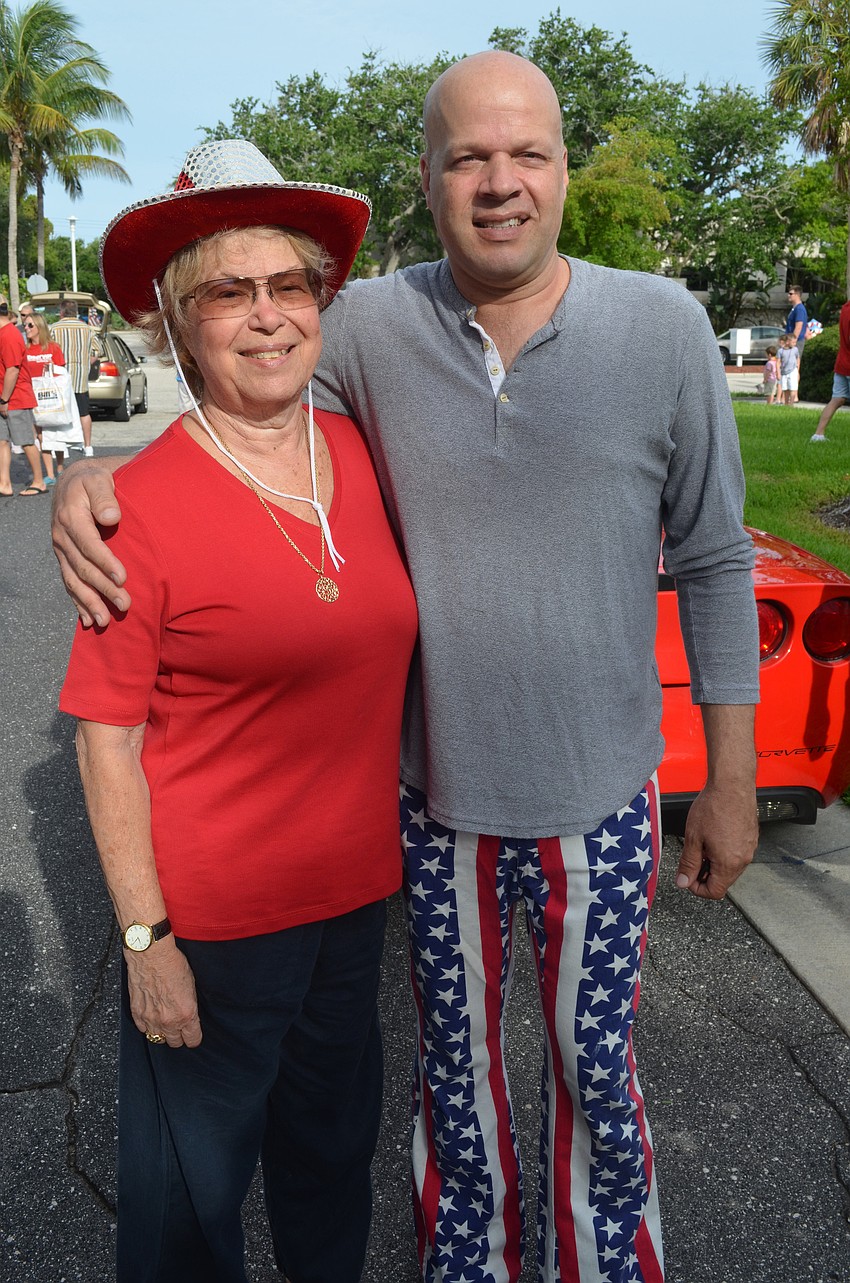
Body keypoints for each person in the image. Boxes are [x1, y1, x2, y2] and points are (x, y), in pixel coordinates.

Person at [52, 53, 759, 1283]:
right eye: (467, 158)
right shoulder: (373, 325)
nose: (499, 183)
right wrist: (85, 476)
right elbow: (233, 402)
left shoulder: (665, 326)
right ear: (426, 177)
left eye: (526, 153)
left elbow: (710, 555)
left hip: (601, 799)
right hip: (429, 816)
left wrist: (734, 776)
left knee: (595, 1080)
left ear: (562, 168)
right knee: (455, 1087)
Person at [57, 140, 418, 1282]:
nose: (265, 317)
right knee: (187, 1204)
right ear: (175, 320)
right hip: (208, 929)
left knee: (330, 1160)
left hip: (353, 904)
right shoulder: (136, 508)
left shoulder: (363, 450)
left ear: (321, 302)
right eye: (227, 291)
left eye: (288, 286)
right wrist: (143, 939)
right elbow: (104, 740)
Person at [0, 292, 46, 496]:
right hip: (6, 397)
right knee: (2, 441)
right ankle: (4, 483)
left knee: (25, 440)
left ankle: (39, 481)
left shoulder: (9, 334)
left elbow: (13, 369)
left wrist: (4, 399)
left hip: (14, 397)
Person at [22, 311, 74, 484]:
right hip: (33, 397)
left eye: (30, 325)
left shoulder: (53, 348)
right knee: (41, 435)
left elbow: (62, 372)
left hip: (52, 397)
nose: (26, 328)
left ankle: (60, 467)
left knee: (55, 433)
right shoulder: (25, 349)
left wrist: (51, 370)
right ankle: (49, 474)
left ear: (40, 327)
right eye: (25, 325)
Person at [51, 297, 96, 455]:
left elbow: (49, 350)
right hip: (80, 378)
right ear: (76, 312)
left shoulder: (54, 329)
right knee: (84, 412)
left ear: (61, 312)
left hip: (60, 379)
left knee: (61, 413)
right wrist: (86, 363)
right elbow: (97, 351)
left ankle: (64, 446)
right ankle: (88, 446)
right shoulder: (87, 329)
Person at [810, 298, 850, 442]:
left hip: (842, 363)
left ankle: (818, 434)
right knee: (836, 399)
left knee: (836, 399)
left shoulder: (845, 308)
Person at [785, 285, 808, 368]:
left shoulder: (799, 309)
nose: (788, 295)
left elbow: (798, 327)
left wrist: (792, 343)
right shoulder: (794, 309)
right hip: (792, 341)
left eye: (791, 294)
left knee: (793, 367)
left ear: (797, 295)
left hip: (796, 342)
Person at [778, 332, 800, 405]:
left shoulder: (795, 349)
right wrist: (778, 372)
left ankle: (791, 403)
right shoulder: (780, 351)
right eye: (793, 342)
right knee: (785, 388)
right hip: (784, 372)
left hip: (793, 371)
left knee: (793, 387)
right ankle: (786, 403)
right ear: (787, 342)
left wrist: (798, 370)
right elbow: (778, 362)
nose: (795, 344)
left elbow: (798, 358)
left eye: (795, 342)